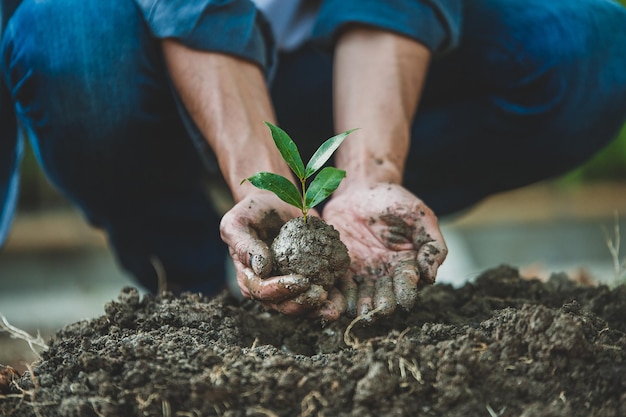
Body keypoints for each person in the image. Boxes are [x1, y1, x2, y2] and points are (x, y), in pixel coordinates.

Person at [1, 0, 625, 322]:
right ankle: (199, 295)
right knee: (64, 35)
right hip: (170, 62)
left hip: (346, 65)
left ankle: (359, 218)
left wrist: (372, 170)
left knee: (593, 51)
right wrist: (259, 179)